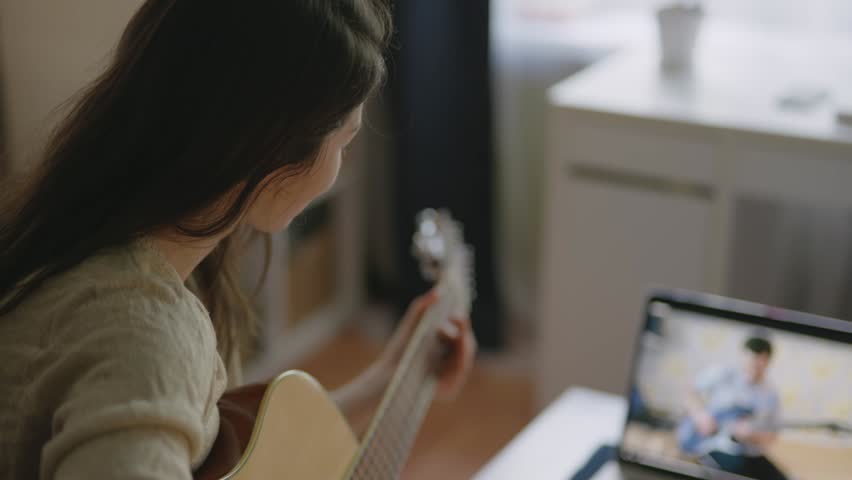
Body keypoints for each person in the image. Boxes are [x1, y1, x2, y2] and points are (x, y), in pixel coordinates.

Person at [0, 1, 477, 479]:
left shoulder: (99, 238)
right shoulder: (142, 332)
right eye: (344, 143)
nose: (338, 170)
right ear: (270, 148)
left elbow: (239, 456)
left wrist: (391, 380)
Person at [683, 336, 787, 480]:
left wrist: (752, 436)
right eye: (752, 359)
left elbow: (772, 436)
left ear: (767, 362)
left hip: (749, 453)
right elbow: (690, 391)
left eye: (761, 361)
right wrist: (701, 416)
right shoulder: (722, 373)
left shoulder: (771, 395)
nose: (755, 365)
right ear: (743, 355)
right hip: (713, 445)